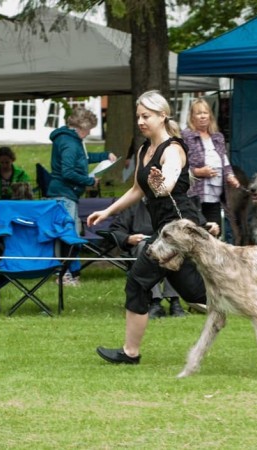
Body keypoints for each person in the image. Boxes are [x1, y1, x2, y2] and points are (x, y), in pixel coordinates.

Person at [89, 90, 215, 366]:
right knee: (194, 293)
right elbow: (137, 190)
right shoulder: (144, 150)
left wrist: (160, 184)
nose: (141, 121)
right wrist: (107, 211)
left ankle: (130, 353)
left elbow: (166, 185)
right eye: (138, 117)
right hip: (165, 231)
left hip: (180, 230)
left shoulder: (173, 149)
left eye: (146, 116)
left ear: (162, 115)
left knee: (138, 281)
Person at [47, 106, 117, 286]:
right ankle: (63, 275)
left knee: (66, 235)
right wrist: (89, 181)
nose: (88, 134)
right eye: (88, 130)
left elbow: (82, 158)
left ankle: (67, 273)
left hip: (65, 195)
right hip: (64, 195)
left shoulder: (70, 139)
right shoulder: (70, 143)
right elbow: (67, 172)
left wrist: (104, 155)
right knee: (67, 236)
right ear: (80, 127)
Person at [108, 201, 185, 319]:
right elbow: (115, 230)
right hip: (141, 247)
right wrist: (129, 238)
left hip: (166, 247)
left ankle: (174, 301)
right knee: (145, 247)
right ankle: (155, 302)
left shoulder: (170, 205)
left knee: (174, 248)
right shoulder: (132, 206)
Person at [182, 98, 240, 225]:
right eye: (198, 113)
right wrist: (198, 172)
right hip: (194, 196)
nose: (202, 116)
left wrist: (230, 176)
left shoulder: (218, 137)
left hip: (215, 195)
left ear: (210, 116)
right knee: (196, 232)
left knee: (214, 233)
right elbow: (179, 167)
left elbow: (224, 160)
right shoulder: (186, 136)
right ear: (192, 117)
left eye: (205, 113)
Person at [0, 146, 30, 216]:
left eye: (7, 162)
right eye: (1, 163)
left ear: (12, 160)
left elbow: (24, 186)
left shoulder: (21, 173)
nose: (4, 165)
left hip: (15, 201)